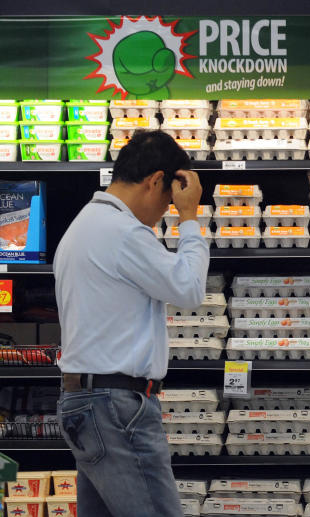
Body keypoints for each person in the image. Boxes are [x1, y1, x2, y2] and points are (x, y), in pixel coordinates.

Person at [54, 130, 208, 517]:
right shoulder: (122, 232)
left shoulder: (82, 227)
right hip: (116, 407)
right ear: (157, 180)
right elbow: (189, 289)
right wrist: (190, 218)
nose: (165, 211)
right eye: (168, 200)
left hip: (83, 402)